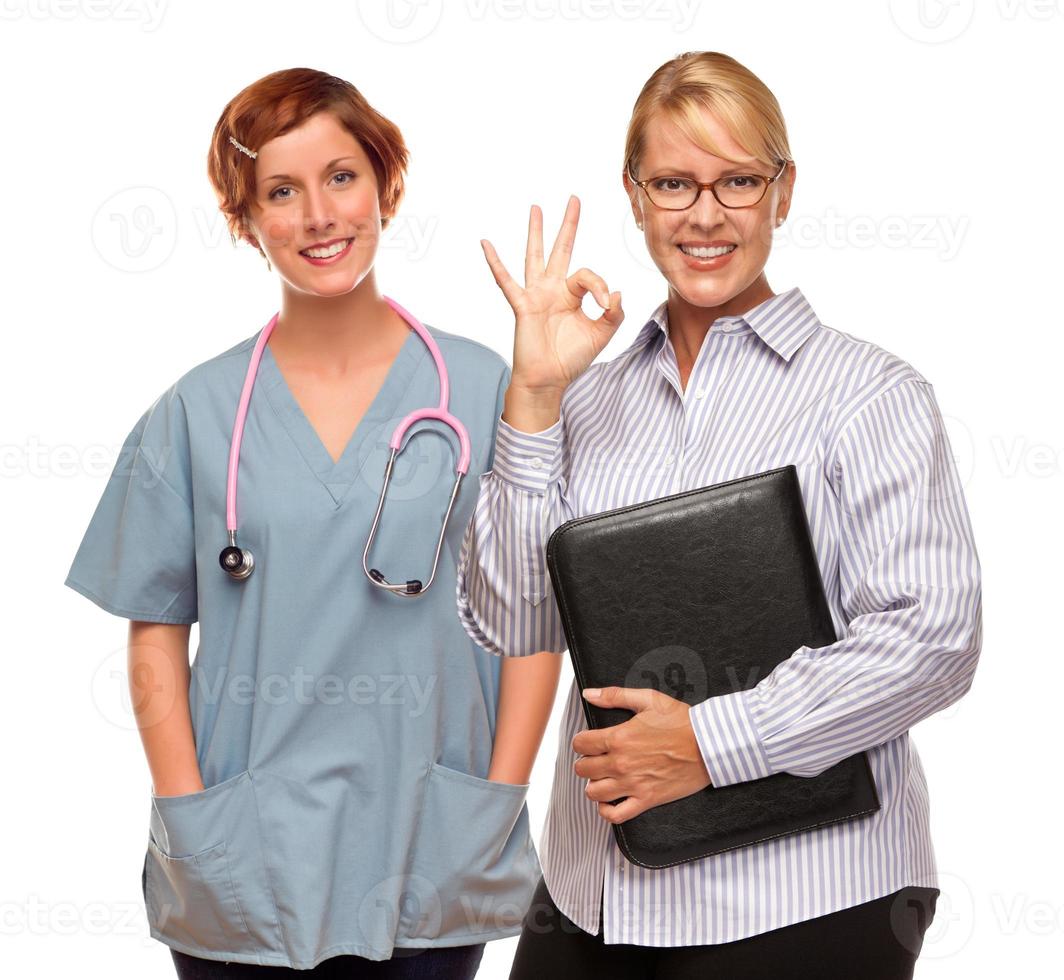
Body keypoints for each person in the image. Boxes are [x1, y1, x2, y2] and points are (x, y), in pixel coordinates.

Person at [457, 51, 982, 979]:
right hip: (594, 899)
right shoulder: (585, 404)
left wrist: (710, 744)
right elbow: (511, 621)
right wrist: (534, 398)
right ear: (635, 193)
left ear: (784, 192)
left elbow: (932, 636)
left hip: (809, 895)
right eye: (674, 182)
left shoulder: (871, 395)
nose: (705, 215)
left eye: (738, 180)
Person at [63, 67, 544, 977]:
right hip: (245, 856)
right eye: (280, 191)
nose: (319, 214)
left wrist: (497, 800)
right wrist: (188, 815)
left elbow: (534, 620)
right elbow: (155, 636)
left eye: (341, 176)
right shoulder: (194, 413)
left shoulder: (486, 390)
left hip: (431, 842)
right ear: (245, 219)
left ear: (385, 184)